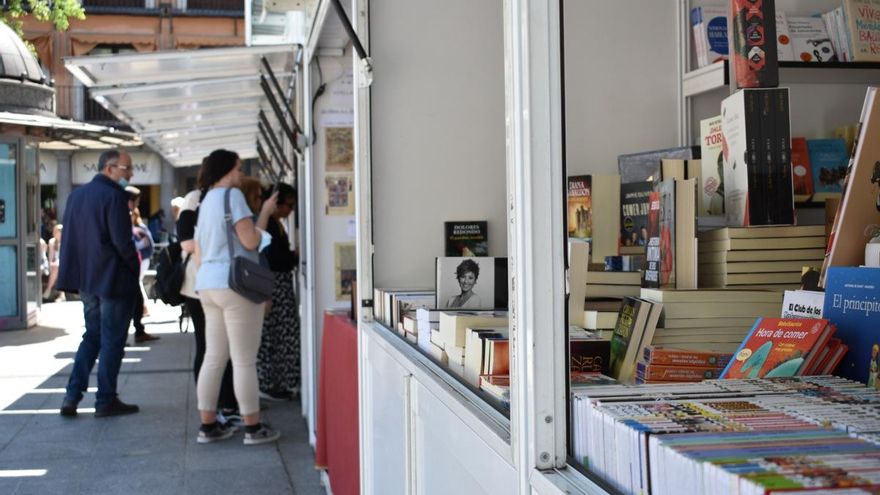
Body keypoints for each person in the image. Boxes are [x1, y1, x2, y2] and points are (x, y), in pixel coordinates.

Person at [194, 149, 280, 445]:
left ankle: (208, 426)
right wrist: (264, 219)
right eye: (238, 168)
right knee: (244, 360)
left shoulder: (205, 201)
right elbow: (250, 240)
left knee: (213, 356)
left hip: (207, 283)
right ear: (227, 169)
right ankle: (253, 428)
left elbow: (200, 246)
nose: (241, 174)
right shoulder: (233, 197)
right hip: (236, 284)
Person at [57, 149, 140, 418]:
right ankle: (105, 399)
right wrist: (133, 269)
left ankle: (72, 396)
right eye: (126, 169)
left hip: (87, 280)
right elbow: (122, 242)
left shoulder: (76, 196)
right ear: (109, 168)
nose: (130, 174)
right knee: (112, 339)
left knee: (91, 336)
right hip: (112, 279)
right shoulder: (114, 196)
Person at [178, 184, 240, 425]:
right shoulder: (195, 198)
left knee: (225, 348)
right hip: (200, 284)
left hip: (218, 282)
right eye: (235, 169)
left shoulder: (231, 197)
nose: (239, 174)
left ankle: (226, 404)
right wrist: (211, 262)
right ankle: (212, 410)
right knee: (208, 347)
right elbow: (186, 241)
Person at [257, 183, 300, 401]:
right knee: (278, 335)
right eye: (289, 205)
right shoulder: (269, 225)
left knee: (277, 335)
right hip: (275, 286)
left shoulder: (274, 224)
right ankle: (274, 382)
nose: (290, 210)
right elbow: (274, 259)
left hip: (275, 284)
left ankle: (276, 381)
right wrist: (293, 257)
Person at [125, 186, 159, 343]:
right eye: (136, 202)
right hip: (125, 266)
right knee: (130, 301)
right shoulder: (122, 215)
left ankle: (138, 331)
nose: (137, 206)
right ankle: (129, 334)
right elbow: (123, 242)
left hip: (131, 264)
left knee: (136, 300)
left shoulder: (127, 216)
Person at [43, 223, 64, 301]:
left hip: (64, 264)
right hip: (55, 264)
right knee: (56, 267)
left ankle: (48, 290)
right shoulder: (52, 242)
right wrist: (50, 265)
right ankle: (62, 295)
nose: (59, 235)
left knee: (58, 267)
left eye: (60, 232)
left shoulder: (67, 241)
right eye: (57, 232)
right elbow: (51, 257)